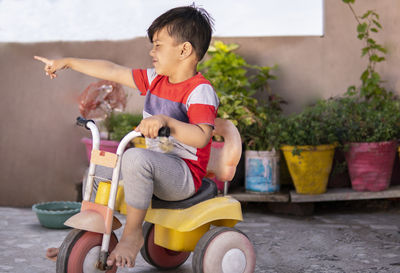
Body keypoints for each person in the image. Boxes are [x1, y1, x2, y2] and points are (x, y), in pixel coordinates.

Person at [35, 5, 217, 269]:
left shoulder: (199, 90)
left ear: (184, 50)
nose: (151, 52)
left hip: (183, 175)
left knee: (134, 158)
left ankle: (132, 236)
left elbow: (201, 136)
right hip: (156, 166)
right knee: (103, 169)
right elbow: (111, 70)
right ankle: (89, 239)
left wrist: (166, 121)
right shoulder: (156, 79)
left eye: (158, 45)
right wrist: (69, 62)